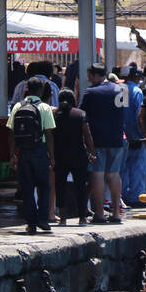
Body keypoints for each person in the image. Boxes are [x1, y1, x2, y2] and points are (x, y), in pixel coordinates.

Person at [80, 63, 127, 224]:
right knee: (114, 174)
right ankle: (116, 213)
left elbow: (82, 116)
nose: (88, 79)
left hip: (97, 139)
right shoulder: (122, 89)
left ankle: (99, 213)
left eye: (89, 76)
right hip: (117, 138)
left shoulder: (90, 93)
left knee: (98, 174)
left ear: (94, 75)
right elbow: (123, 113)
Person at [8, 76, 56, 234]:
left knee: (27, 188)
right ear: (41, 90)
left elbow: (12, 132)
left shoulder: (17, 107)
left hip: (23, 152)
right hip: (39, 150)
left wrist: (12, 155)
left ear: (26, 89)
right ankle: (43, 218)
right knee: (44, 186)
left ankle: (31, 223)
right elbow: (48, 134)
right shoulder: (44, 107)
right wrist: (52, 156)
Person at [52, 89, 94, 225]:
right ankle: (82, 217)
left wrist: (50, 155)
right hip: (78, 154)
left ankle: (63, 218)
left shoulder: (54, 114)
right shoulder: (80, 114)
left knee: (60, 186)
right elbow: (87, 135)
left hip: (59, 155)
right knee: (80, 186)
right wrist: (92, 152)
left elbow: (49, 136)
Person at [120, 64, 146, 207]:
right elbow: (139, 114)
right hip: (136, 136)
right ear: (135, 77)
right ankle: (136, 197)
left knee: (123, 168)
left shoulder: (120, 90)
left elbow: (121, 113)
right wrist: (142, 133)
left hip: (122, 136)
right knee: (137, 167)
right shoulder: (137, 91)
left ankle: (123, 196)